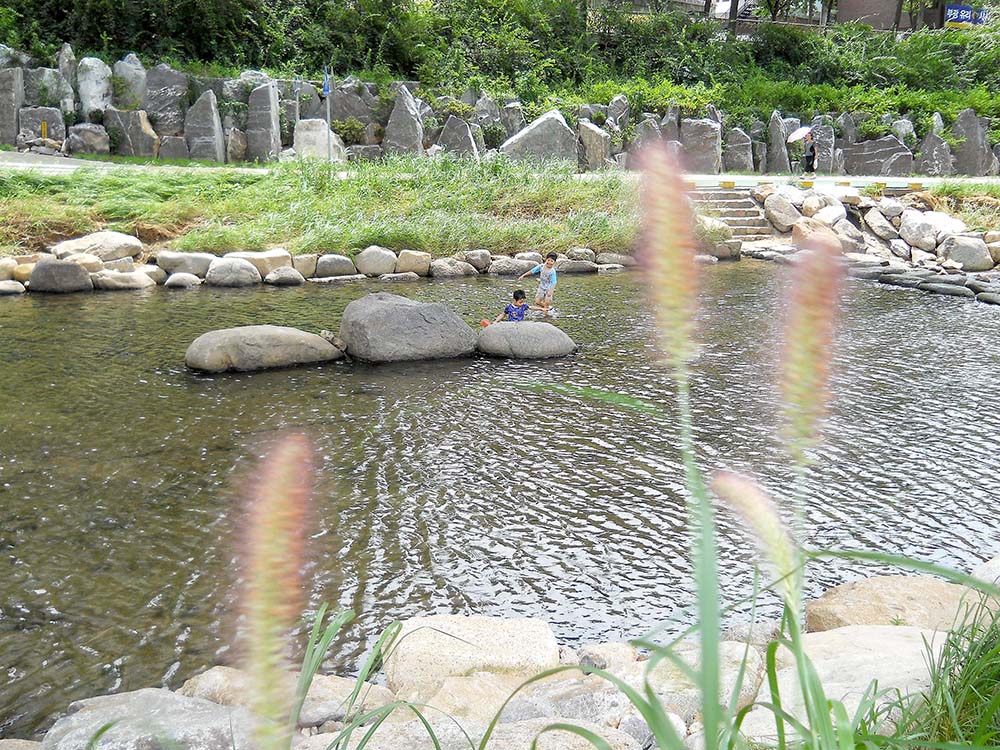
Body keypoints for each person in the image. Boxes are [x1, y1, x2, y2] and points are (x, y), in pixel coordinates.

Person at [519, 252, 558, 317]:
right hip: (541, 287)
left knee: (547, 303)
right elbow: (532, 271)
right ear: (545, 259)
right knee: (537, 301)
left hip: (549, 289)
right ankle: (548, 308)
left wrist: (551, 291)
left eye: (552, 261)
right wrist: (524, 275)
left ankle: (546, 316)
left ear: (554, 262)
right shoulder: (541, 266)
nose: (549, 262)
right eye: (548, 260)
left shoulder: (552, 271)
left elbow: (554, 282)